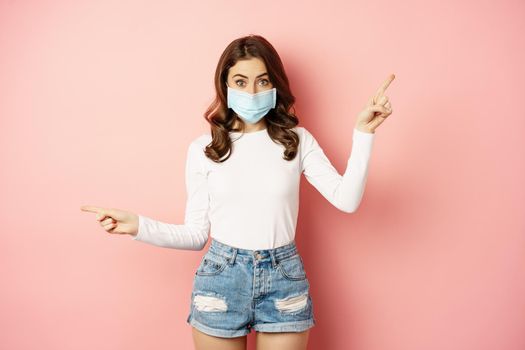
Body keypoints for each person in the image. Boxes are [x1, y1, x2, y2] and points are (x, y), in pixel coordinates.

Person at [81, 34, 394, 350]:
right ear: (226, 87)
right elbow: (195, 235)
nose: (252, 92)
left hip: (284, 278)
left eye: (262, 81)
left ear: (275, 86)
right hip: (221, 279)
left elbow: (347, 199)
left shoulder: (297, 141)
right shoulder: (204, 149)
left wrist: (363, 134)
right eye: (241, 82)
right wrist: (137, 226)